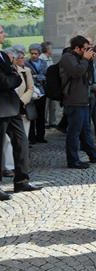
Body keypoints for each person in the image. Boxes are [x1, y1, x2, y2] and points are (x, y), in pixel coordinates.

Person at [0, 25, 42, 200]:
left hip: (12, 105)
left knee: (21, 142)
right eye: (2, 32)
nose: (5, 34)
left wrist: (13, 76)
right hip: (1, 108)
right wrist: (14, 76)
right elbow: (5, 81)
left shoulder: (2, 55)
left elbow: (12, 76)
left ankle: (21, 181)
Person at [59, 35, 96, 169]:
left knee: (86, 130)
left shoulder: (81, 58)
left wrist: (89, 60)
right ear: (77, 48)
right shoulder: (67, 57)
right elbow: (76, 72)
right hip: (73, 100)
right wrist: (85, 59)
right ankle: (73, 160)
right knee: (74, 132)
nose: (88, 51)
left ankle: (93, 154)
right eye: (85, 48)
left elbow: (88, 75)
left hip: (83, 99)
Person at [25, 43, 48, 144]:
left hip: (42, 92)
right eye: (32, 53)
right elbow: (28, 76)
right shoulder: (26, 63)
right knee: (32, 115)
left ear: (39, 53)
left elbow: (45, 76)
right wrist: (39, 77)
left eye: (35, 53)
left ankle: (41, 136)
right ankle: (32, 137)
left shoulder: (43, 63)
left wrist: (36, 77)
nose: (33, 55)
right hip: (32, 92)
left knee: (41, 116)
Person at [40, 41, 57, 128]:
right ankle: (45, 122)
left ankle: (52, 121)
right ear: (47, 49)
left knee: (52, 104)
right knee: (46, 104)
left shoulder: (50, 58)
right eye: (51, 48)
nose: (52, 50)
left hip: (51, 84)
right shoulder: (42, 58)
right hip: (45, 84)